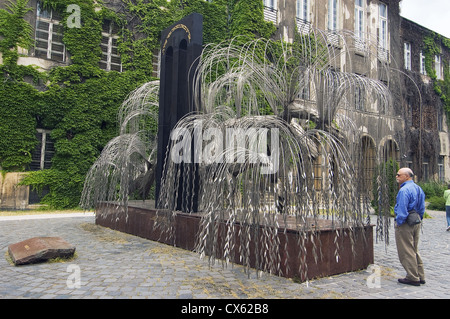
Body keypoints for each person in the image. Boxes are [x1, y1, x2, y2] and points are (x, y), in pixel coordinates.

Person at [394, 167, 426, 286]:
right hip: (416, 221)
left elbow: (402, 209)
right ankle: (420, 275)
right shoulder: (418, 188)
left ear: (407, 176)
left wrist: (399, 222)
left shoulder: (404, 190)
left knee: (406, 250)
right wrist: (419, 219)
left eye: (399, 175)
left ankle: (412, 277)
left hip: (406, 223)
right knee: (414, 249)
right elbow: (422, 207)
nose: (397, 177)